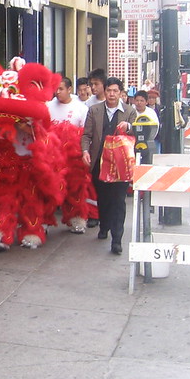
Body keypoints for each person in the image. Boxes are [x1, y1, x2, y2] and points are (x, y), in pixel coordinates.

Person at [81, 77, 136, 254]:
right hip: (99, 162)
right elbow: (86, 135)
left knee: (119, 201)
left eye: (115, 91)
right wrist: (85, 151)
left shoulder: (129, 111)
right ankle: (104, 226)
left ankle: (117, 239)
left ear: (121, 93)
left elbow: (138, 131)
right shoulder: (94, 110)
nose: (111, 94)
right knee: (103, 199)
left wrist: (129, 126)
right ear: (104, 92)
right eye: (109, 91)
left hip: (120, 164)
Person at [47, 77, 93, 234]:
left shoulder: (81, 108)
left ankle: (76, 219)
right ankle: (44, 221)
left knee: (75, 190)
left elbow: (86, 134)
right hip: (52, 157)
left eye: (61, 89)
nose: (57, 92)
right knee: (48, 189)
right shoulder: (48, 106)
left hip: (73, 159)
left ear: (69, 89)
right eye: (56, 89)